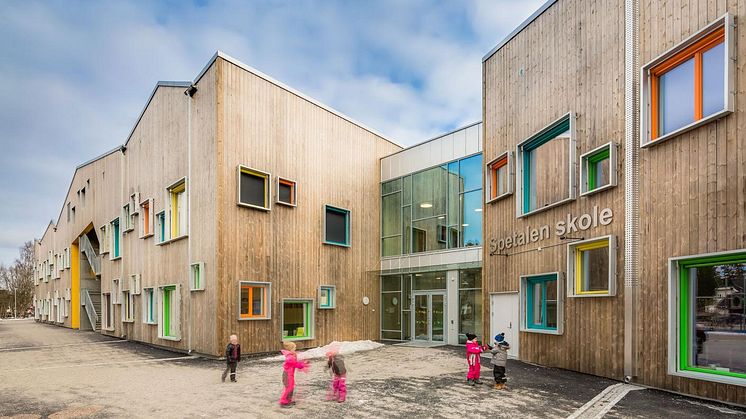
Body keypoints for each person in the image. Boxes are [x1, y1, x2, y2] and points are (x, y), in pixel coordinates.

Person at [280, 341, 309, 408]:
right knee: (289, 388)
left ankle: (288, 400)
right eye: (294, 348)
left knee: (291, 387)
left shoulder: (291, 356)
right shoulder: (290, 357)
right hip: (287, 375)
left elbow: (295, 363)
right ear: (290, 349)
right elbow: (295, 364)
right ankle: (283, 401)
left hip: (290, 375)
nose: (295, 349)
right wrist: (302, 364)